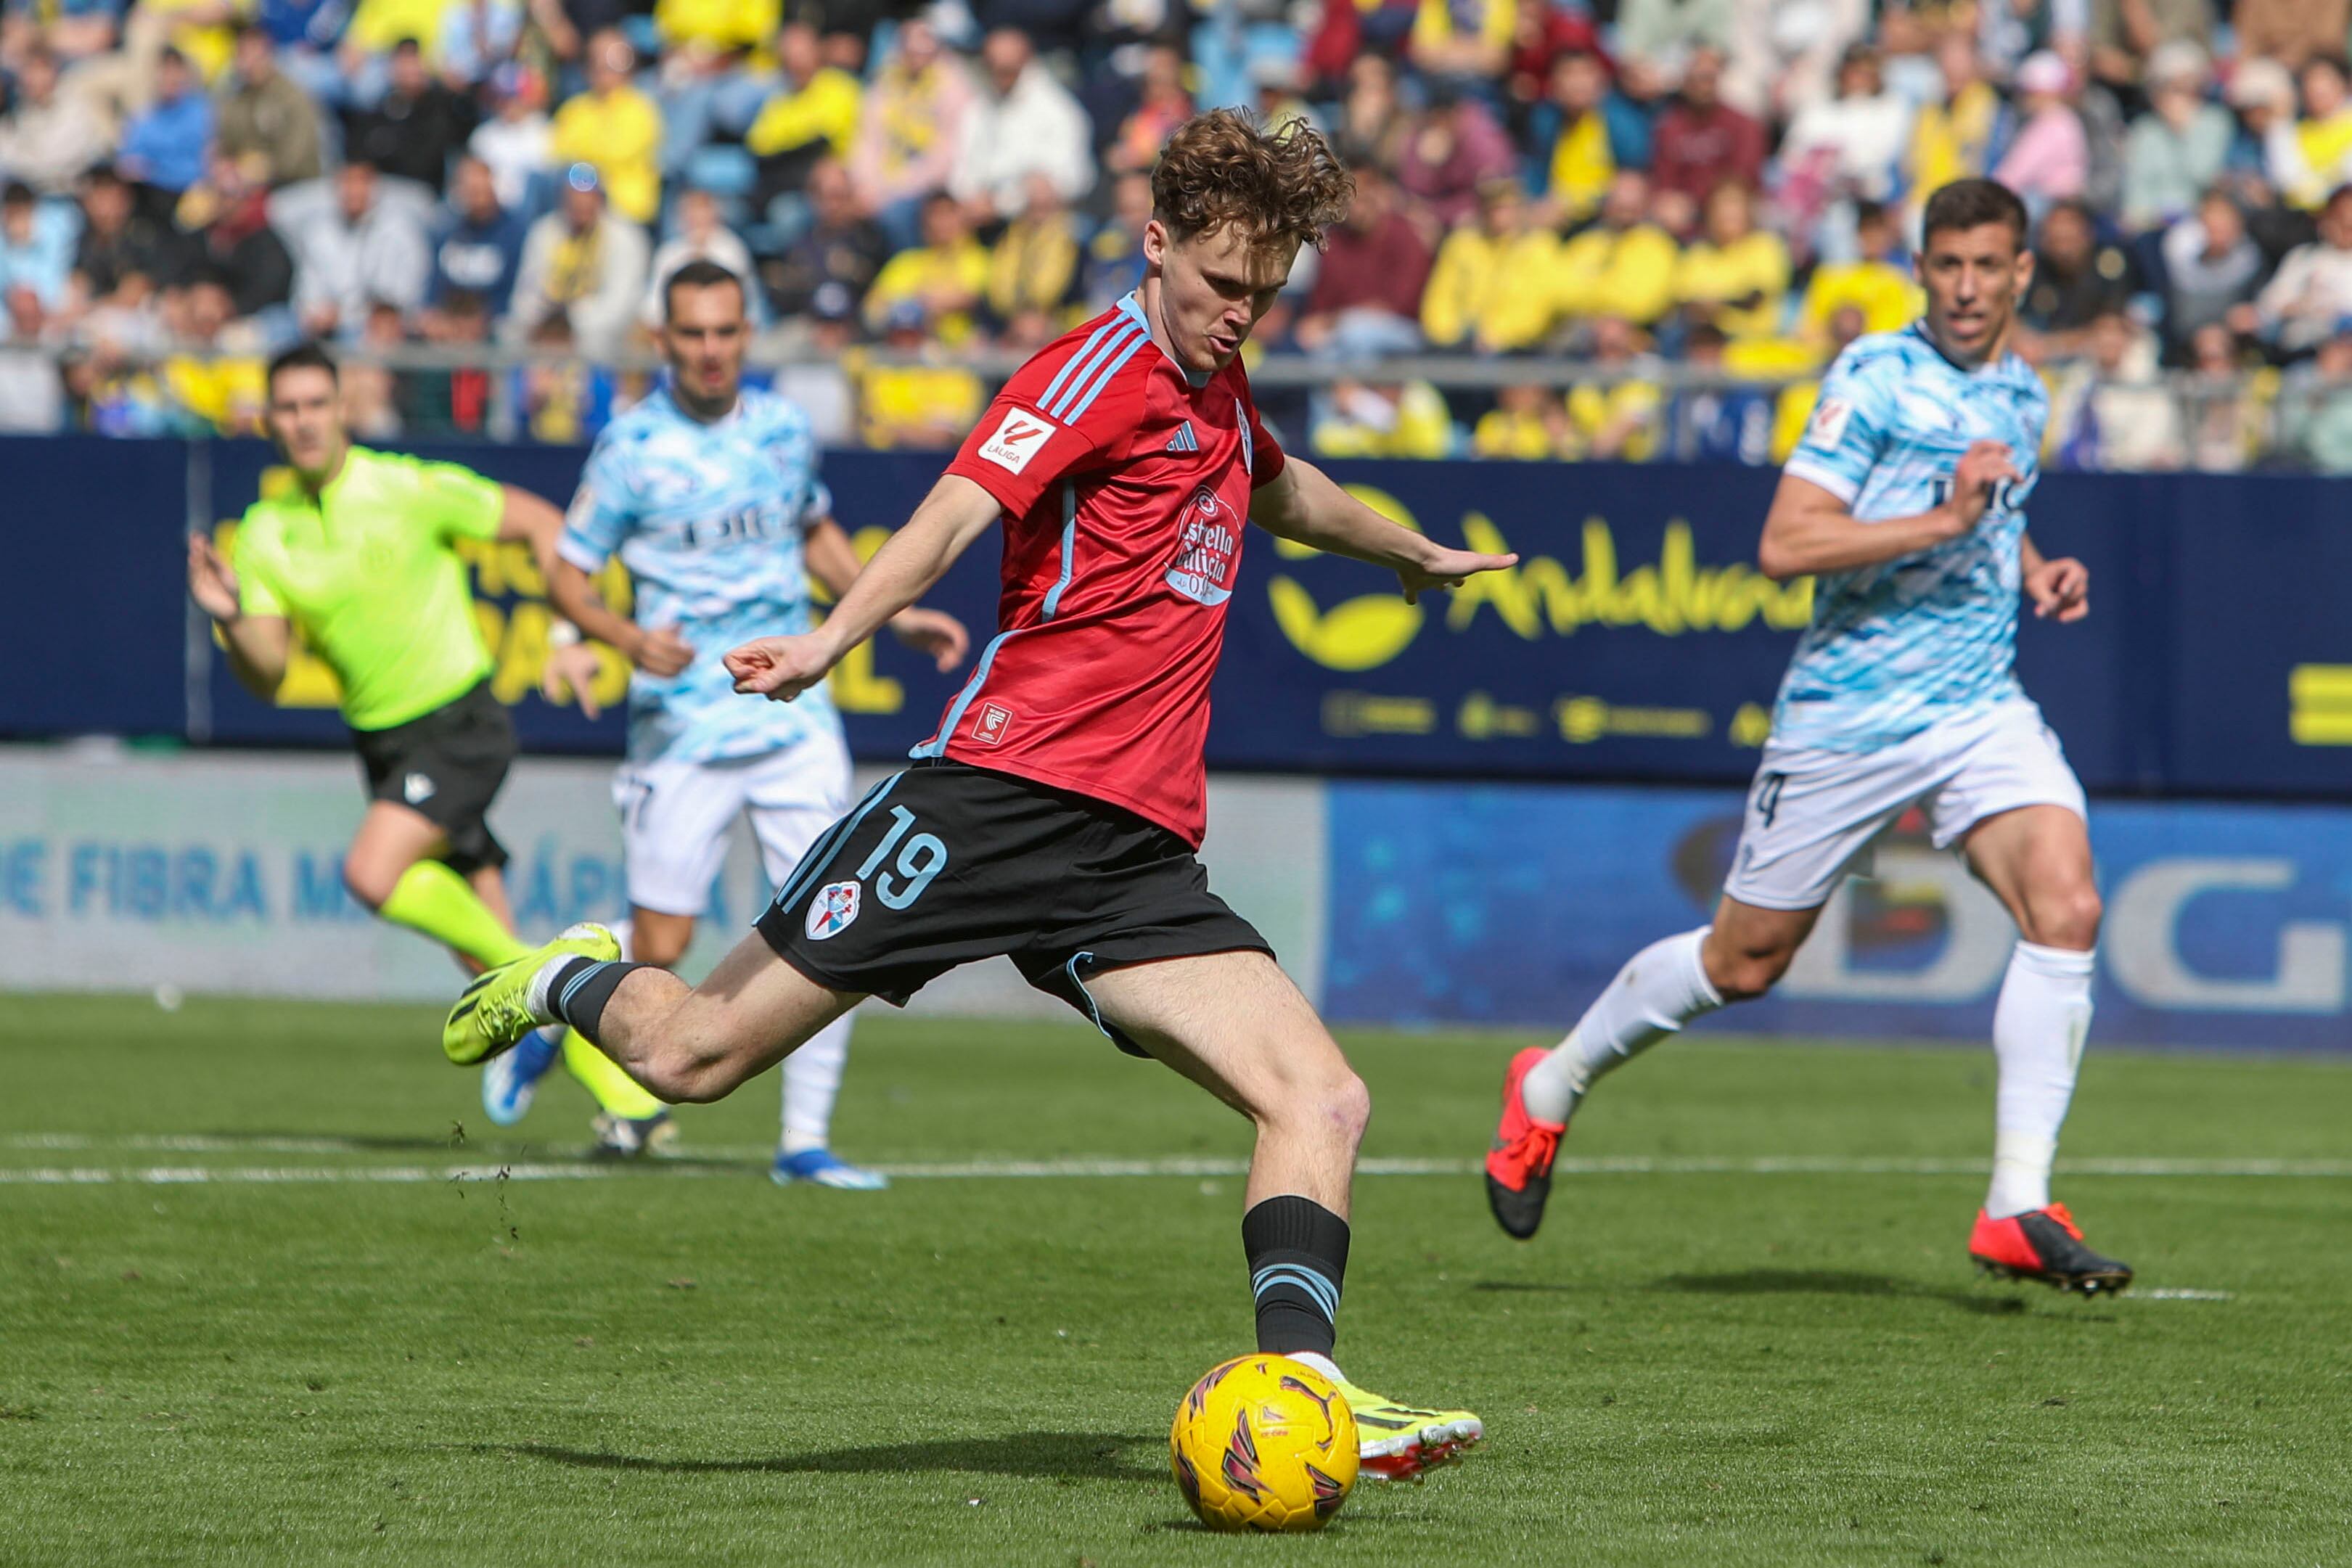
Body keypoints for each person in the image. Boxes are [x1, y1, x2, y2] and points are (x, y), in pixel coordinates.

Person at [441, 109, 1510, 1477]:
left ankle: (1309, 1386)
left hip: (1130, 861)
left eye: (1265, 296)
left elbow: (1288, 491)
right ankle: (567, 978)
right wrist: (834, 638)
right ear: (1156, 244)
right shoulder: (1094, 368)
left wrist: (1408, 552)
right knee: (687, 1058)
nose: (1240, 316)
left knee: (1324, 1096)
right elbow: (956, 508)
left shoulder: (1219, 398)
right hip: (991, 796)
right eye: (1220, 287)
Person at [1483, 178, 2132, 1298]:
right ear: (1920, 270)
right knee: (1744, 961)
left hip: (1979, 705)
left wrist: (2030, 567)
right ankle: (1547, 1088)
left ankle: (2015, 1203)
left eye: (1990, 266)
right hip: (1850, 714)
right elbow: (1786, 544)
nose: (1968, 288)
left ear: (2025, 273)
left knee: (2067, 906)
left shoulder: (2024, 390)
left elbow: (1996, 514)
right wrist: (1945, 516)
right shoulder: (1875, 378)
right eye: (1948, 266)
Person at [516, 258, 970, 1186]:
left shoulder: (782, 428)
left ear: (745, 334)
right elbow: (567, 568)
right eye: (694, 334)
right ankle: (564, 990)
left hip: (794, 716)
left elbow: (813, 533)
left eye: (727, 332)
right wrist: (621, 636)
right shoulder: (632, 447)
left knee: (835, 924)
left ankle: (803, 1142)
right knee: (663, 947)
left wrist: (893, 611)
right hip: (681, 725)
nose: (713, 350)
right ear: (663, 340)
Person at [187, 343, 672, 1151]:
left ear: (342, 408)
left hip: (459, 727)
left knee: (371, 872)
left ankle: (547, 978)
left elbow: (543, 523)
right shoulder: (266, 532)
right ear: (268, 421)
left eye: (317, 403)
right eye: (289, 408)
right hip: (383, 746)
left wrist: (564, 630)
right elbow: (268, 675)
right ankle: (631, 1101)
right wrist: (233, 617)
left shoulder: (404, 486)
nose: (304, 421)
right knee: (489, 973)